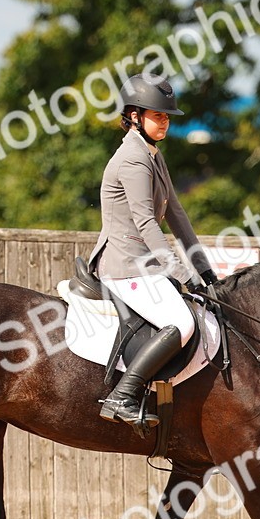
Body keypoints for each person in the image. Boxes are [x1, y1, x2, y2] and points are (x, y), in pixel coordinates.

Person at [87, 73, 220, 429]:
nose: (165, 122)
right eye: (158, 115)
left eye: (166, 117)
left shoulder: (152, 154)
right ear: (133, 115)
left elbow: (176, 214)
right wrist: (178, 271)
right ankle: (122, 396)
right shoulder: (132, 158)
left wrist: (204, 268)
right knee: (181, 322)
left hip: (143, 264)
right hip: (125, 264)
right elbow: (147, 222)